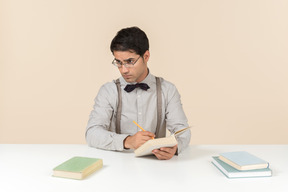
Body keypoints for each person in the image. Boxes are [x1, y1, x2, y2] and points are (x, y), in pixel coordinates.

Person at [85, 26, 190, 160]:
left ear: (146, 56)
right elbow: (92, 133)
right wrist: (127, 141)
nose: (123, 70)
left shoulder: (167, 90)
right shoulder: (108, 91)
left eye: (130, 62)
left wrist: (175, 148)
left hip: (157, 166)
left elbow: (183, 131)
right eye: (118, 62)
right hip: (116, 165)